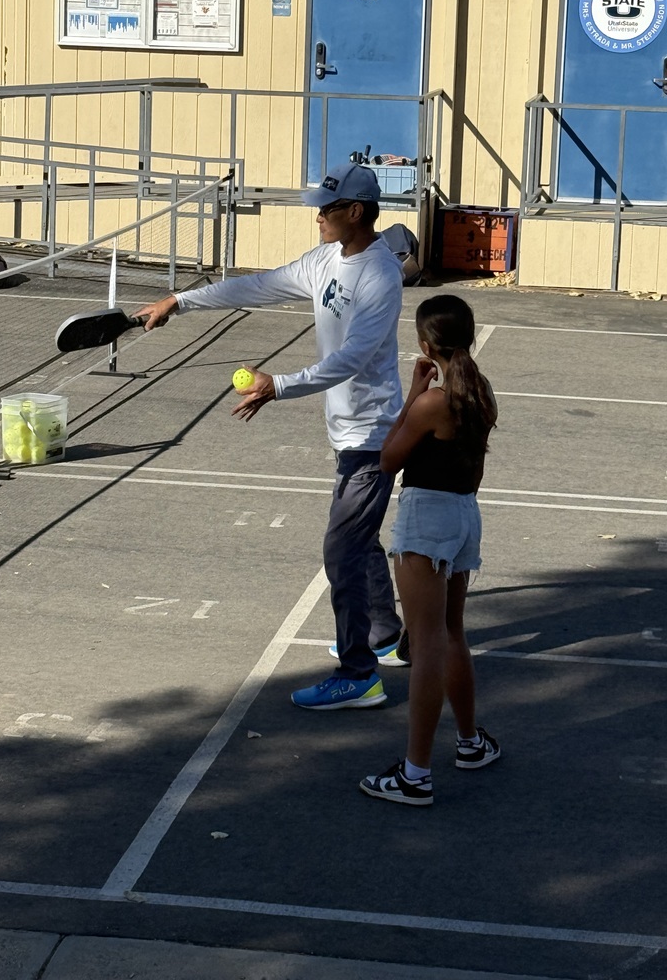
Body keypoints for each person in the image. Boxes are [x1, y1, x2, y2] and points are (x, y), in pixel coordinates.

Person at [136, 163, 408, 709]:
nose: (318, 217)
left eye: (327, 209)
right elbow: (260, 285)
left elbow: (352, 359)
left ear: (355, 211)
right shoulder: (325, 260)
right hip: (347, 430)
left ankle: (360, 675)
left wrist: (276, 386)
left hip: (373, 433)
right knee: (358, 539)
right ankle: (383, 632)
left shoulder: (380, 276)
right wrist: (182, 302)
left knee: (342, 550)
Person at [359, 294, 500, 806]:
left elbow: (388, 459)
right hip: (465, 515)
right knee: (453, 633)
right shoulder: (480, 391)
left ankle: (415, 774)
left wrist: (412, 395)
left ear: (425, 344)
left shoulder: (431, 402)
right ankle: (469, 743)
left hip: (427, 519)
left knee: (425, 646)